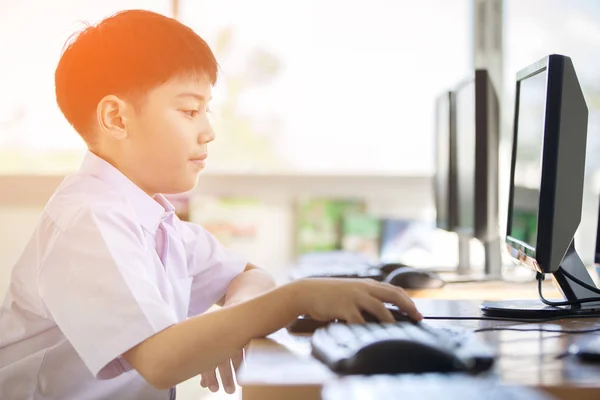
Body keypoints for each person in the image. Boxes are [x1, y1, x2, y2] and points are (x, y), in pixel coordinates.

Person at [0, 9, 422, 400]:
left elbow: (251, 276)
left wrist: (232, 324)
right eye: (188, 110)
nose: (208, 131)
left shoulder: (155, 220)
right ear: (116, 118)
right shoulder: (88, 220)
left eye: (207, 109)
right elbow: (161, 361)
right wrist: (299, 298)